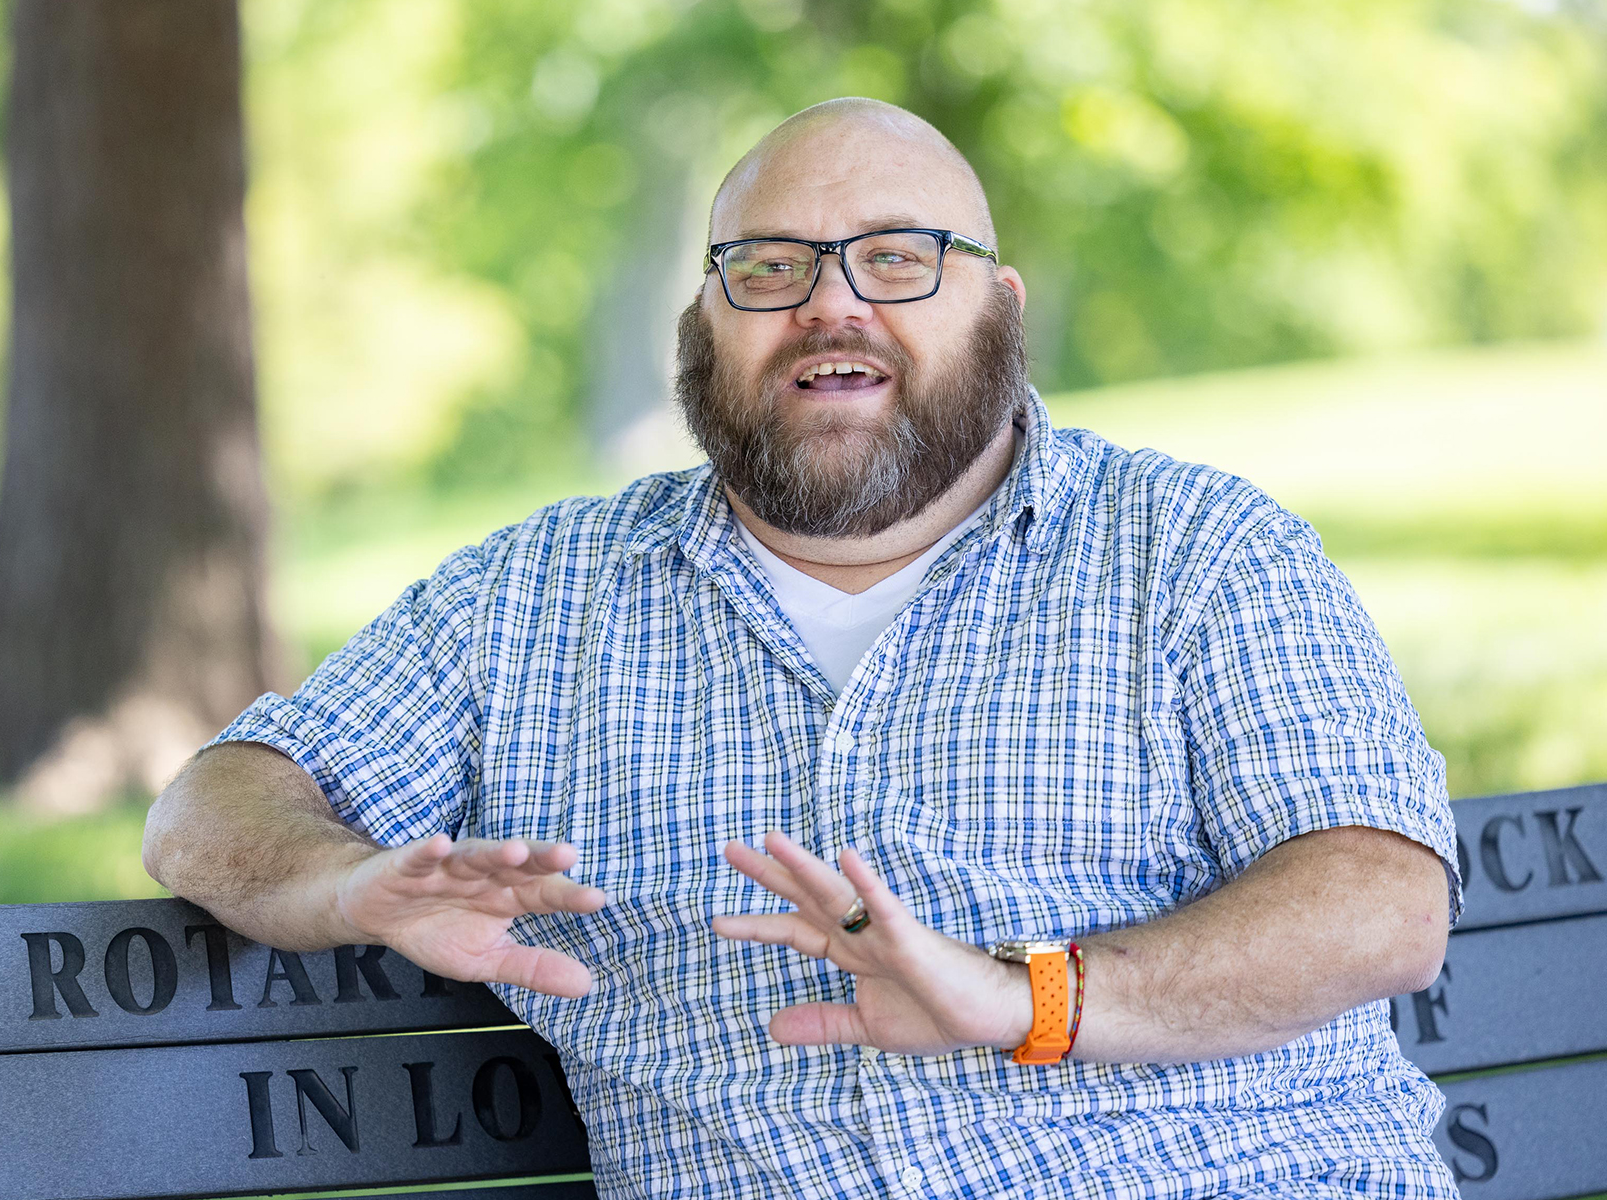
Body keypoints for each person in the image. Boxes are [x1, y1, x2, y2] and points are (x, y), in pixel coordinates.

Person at [142, 98, 1460, 1199]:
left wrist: (1027, 997)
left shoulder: (1197, 549)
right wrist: (350, 886)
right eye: (769, 267)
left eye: (898, 258)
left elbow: (1379, 903)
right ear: (701, 324)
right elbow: (213, 805)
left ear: (999, 307)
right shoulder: (528, 604)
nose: (833, 306)